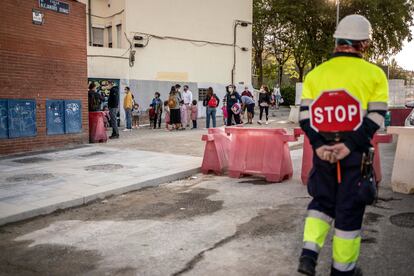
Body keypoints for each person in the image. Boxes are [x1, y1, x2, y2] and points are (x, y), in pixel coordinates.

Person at [297, 15, 389, 276]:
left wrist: (318, 146)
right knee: (348, 212)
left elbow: (306, 117)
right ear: (364, 44)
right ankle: (342, 271)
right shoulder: (374, 75)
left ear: (337, 41)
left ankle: (308, 255)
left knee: (322, 202)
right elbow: (375, 117)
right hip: (354, 156)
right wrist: (348, 146)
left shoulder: (316, 74)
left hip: (323, 154)